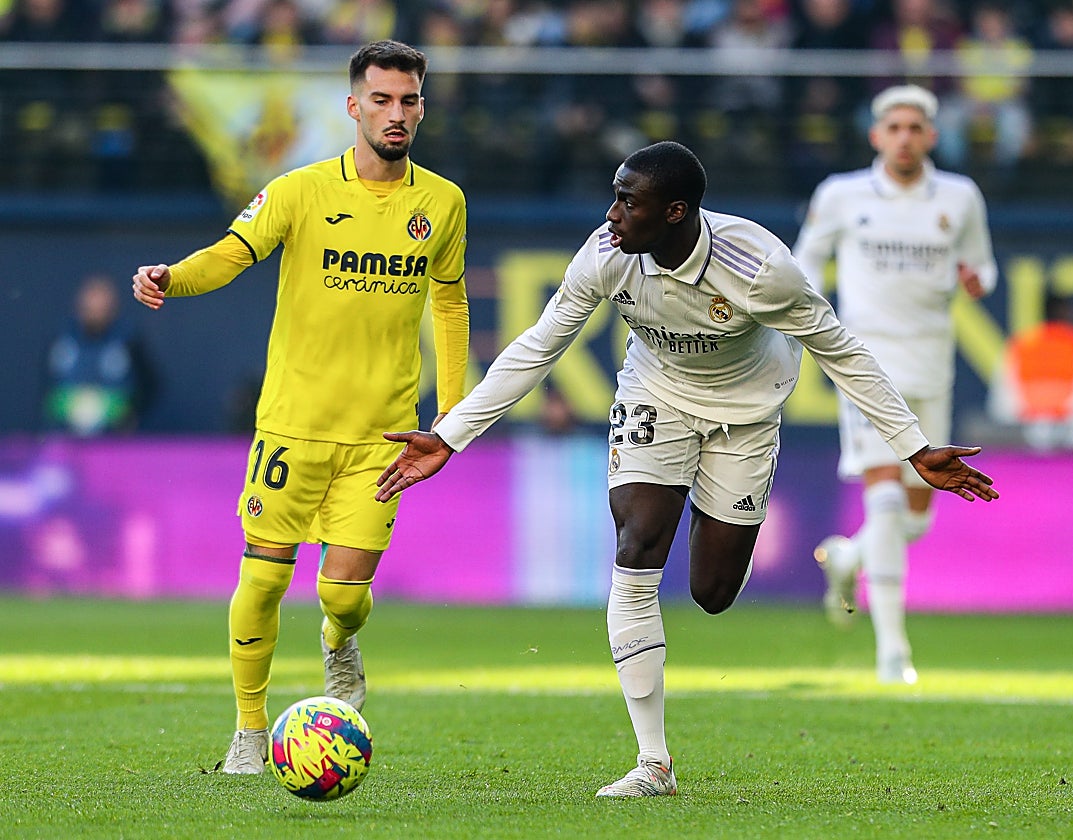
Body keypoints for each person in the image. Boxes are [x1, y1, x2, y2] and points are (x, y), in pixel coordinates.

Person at [373, 141, 998, 797]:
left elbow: (839, 350)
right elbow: (539, 345)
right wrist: (451, 435)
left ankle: (729, 520)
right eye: (614, 195)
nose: (612, 213)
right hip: (655, 397)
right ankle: (653, 763)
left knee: (714, 592)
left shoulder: (759, 269)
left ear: (675, 212)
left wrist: (912, 446)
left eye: (628, 201)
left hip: (748, 415)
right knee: (637, 543)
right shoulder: (607, 254)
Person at [131, 40, 470, 774]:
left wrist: (456, 413)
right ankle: (250, 734)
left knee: (343, 595)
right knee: (262, 578)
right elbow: (231, 251)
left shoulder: (442, 203)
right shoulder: (299, 190)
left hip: (381, 434)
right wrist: (173, 277)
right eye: (380, 99)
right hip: (291, 424)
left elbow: (449, 301)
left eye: (408, 100)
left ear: (422, 107)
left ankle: (337, 641)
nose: (396, 113)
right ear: (353, 107)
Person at [791, 84, 998, 685]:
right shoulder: (841, 195)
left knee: (915, 515)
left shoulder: (958, 198)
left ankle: (850, 557)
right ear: (877, 135)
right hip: (865, 363)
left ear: (931, 136)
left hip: (931, 363)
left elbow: (983, 263)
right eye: (895, 127)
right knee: (882, 495)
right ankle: (893, 652)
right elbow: (804, 264)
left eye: (916, 127)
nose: (905, 137)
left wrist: (977, 280)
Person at [44, 273, 158, 436]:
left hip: (114, 436)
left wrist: (132, 412)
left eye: (101, 307)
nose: (95, 312)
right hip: (65, 434)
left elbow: (149, 383)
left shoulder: (128, 340)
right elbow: (48, 383)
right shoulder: (62, 339)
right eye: (89, 307)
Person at [987, 290, 1073, 427]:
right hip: (1067, 433)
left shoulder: (1020, 345)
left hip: (1022, 432)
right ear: (1067, 313)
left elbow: (1003, 402)